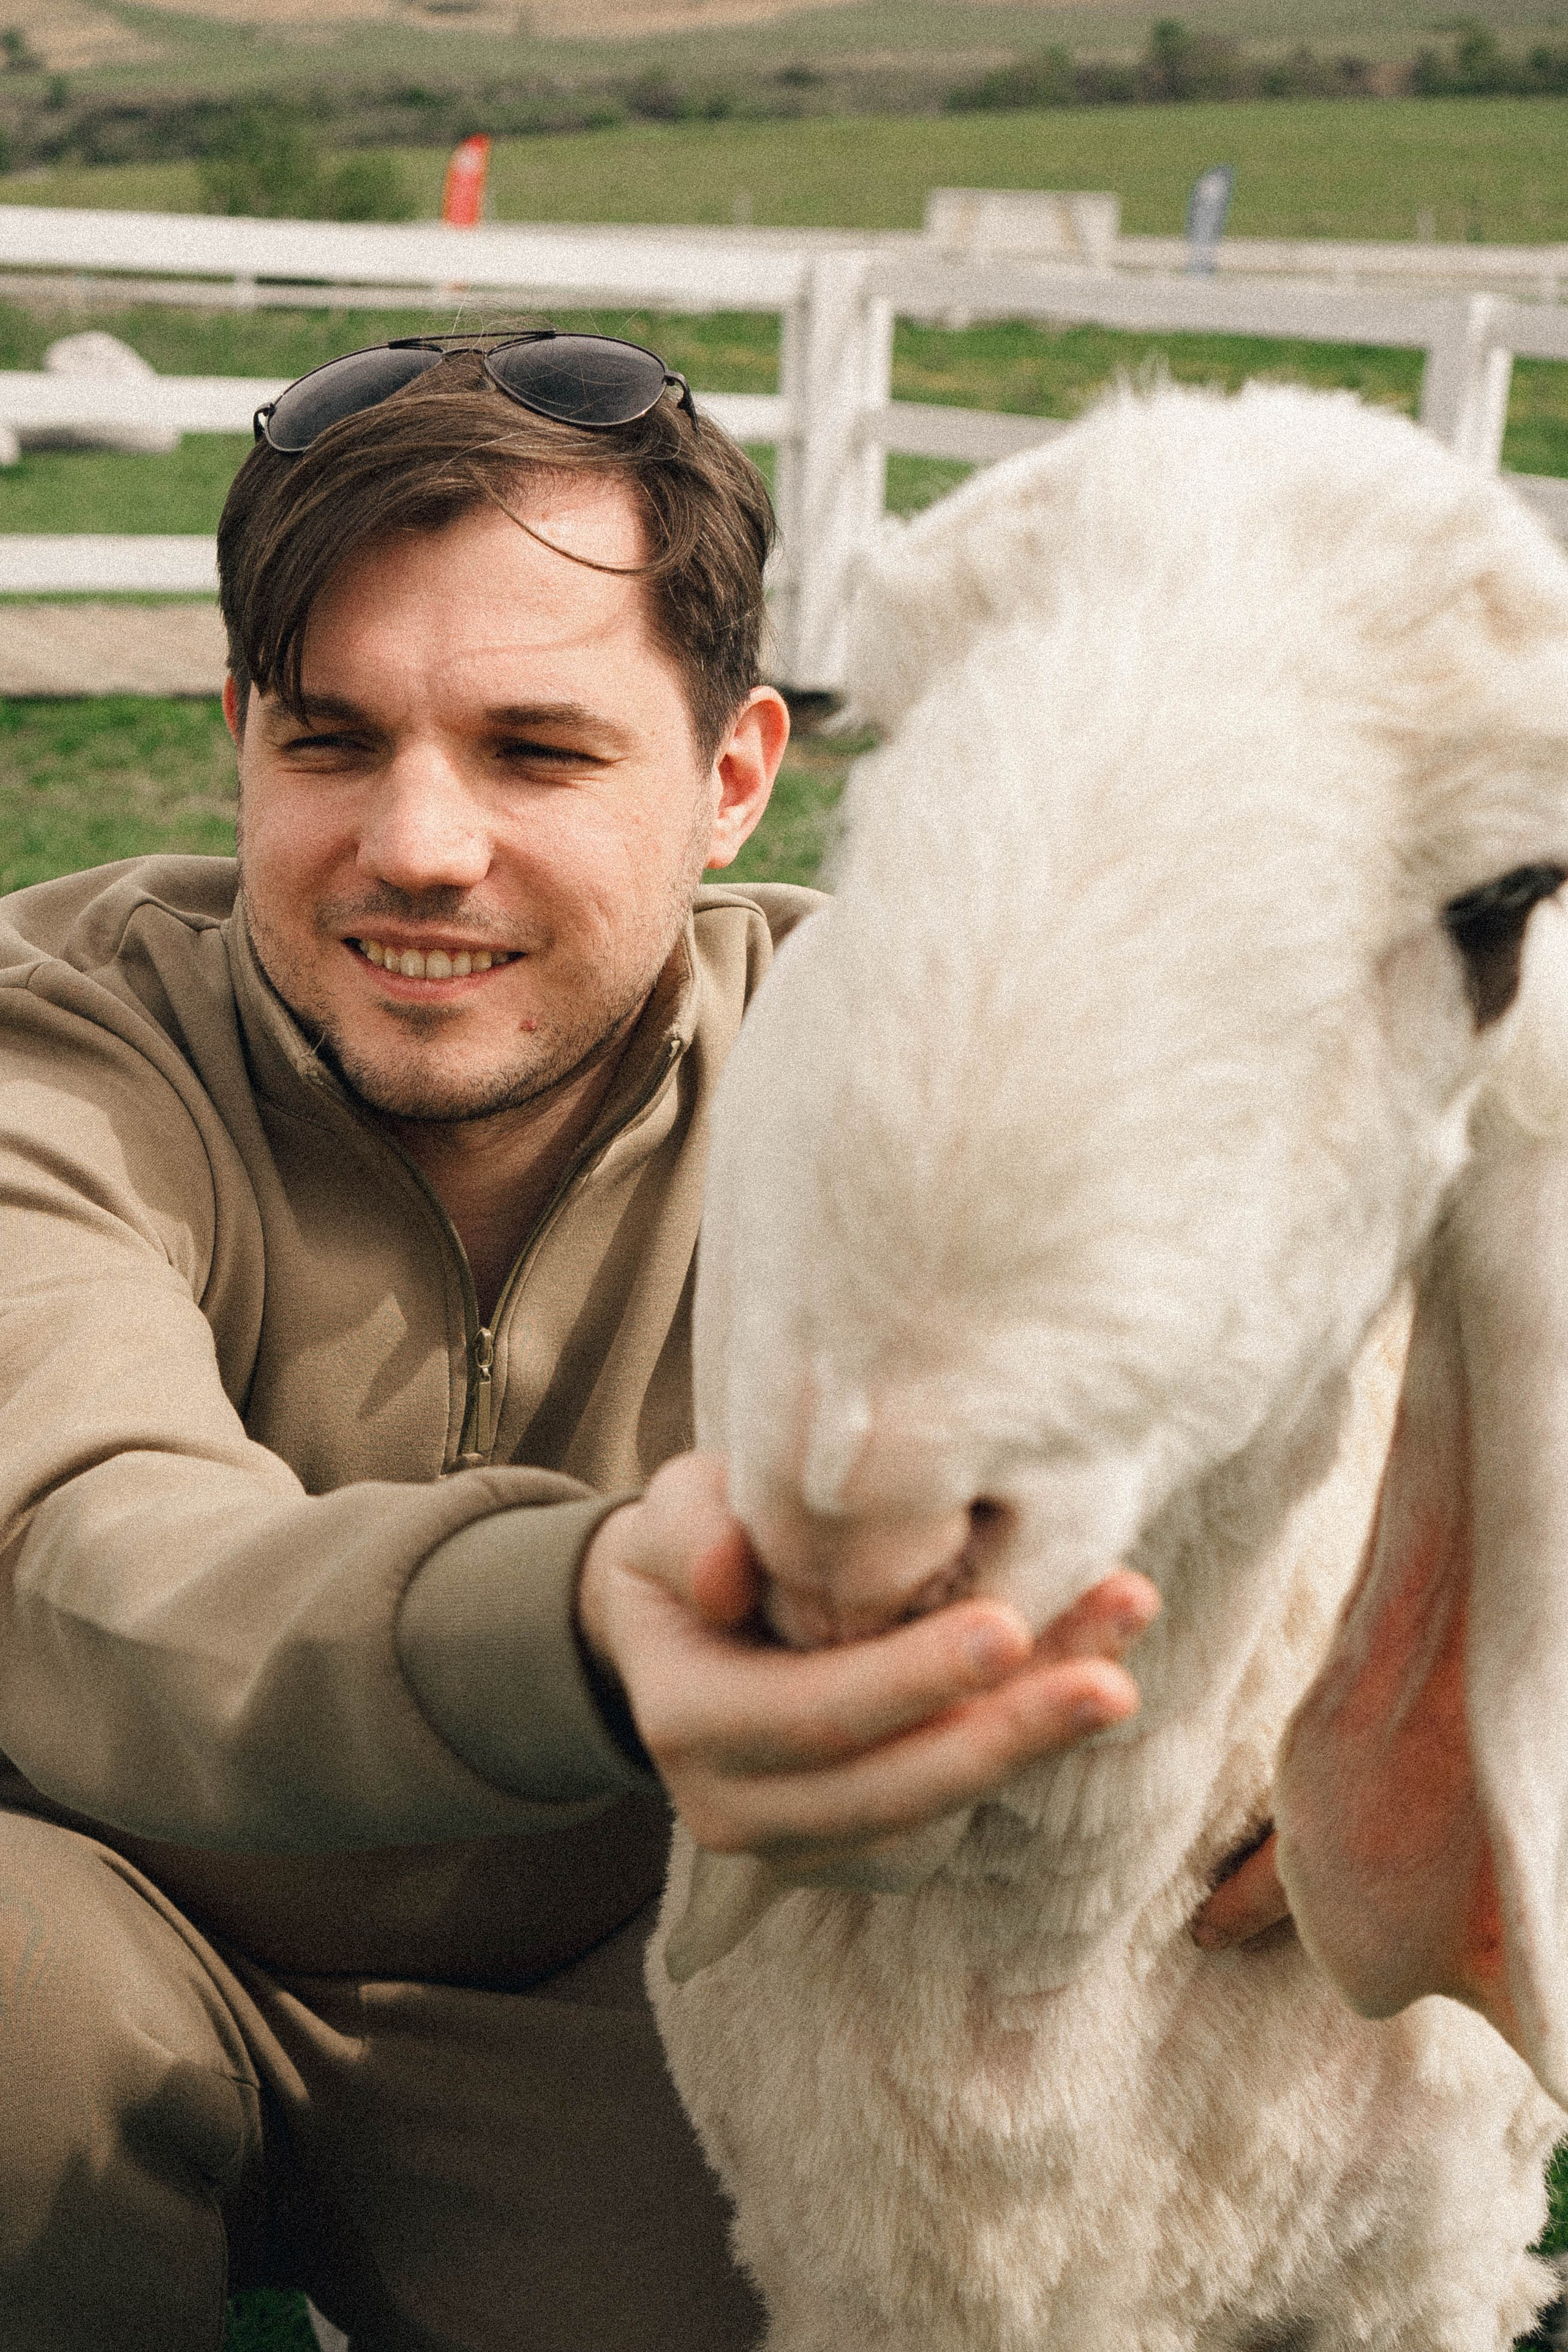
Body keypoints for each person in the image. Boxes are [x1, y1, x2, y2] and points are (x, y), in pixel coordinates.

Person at [0, 331, 1265, 2352]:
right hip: (117, 1931)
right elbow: (79, 1549)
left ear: (736, 771)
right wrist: (595, 1616)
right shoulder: (62, 1052)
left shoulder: (903, 1078)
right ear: (237, 730)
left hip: (646, 1986)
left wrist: (1328, 1693)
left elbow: (1353, 1317)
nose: (418, 844)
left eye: (537, 751)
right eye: (332, 741)